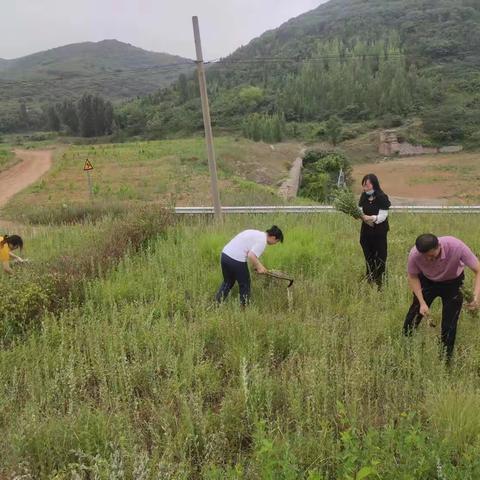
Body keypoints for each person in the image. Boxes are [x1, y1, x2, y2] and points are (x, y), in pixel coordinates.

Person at [403, 234, 480, 360]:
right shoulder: (414, 254)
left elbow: (478, 269)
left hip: (453, 283)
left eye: (433, 256)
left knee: (450, 323)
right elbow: (413, 277)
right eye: (426, 257)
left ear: (439, 246)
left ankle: (445, 358)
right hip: (427, 282)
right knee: (414, 314)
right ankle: (405, 345)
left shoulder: (456, 246)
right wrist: (422, 303)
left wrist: (476, 298)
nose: (429, 260)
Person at [215, 226, 284, 306]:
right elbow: (251, 255)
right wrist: (260, 267)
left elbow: (248, 251)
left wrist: (257, 266)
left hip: (225, 255)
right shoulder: (262, 241)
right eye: (276, 241)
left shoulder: (256, 233)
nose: (275, 244)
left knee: (228, 281)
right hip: (236, 258)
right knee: (245, 284)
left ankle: (216, 303)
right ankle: (243, 309)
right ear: (273, 237)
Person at [358, 174, 391, 287]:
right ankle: (370, 279)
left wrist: (371, 218)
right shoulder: (364, 196)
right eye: (363, 185)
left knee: (380, 256)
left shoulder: (382, 197)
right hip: (366, 232)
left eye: (367, 185)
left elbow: (383, 215)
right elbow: (360, 209)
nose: (365, 188)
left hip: (379, 232)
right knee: (368, 256)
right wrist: (359, 215)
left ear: (374, 184)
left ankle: (380, 281)